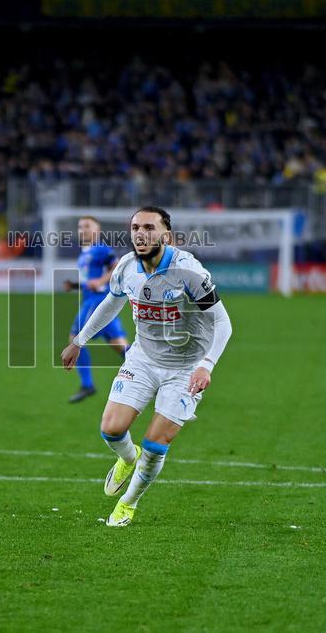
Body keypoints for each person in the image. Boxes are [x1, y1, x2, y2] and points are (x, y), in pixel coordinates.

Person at [61, 206, 233, 527]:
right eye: (136, 228)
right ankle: (129, 458)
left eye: (149, 228)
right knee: (111, 429)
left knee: (155, 444)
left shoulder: (188, 270)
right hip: (143, 358)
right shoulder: (127, 267)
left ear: (166, 233)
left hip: (185, 368)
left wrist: (206, 365)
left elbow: (222, 323)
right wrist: (79, 341)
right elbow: (110, 303)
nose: (141, 234)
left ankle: (128, 503)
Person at [64, 216, 129, 403]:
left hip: (96, 302)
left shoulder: (100, 249)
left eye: (87, 226)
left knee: (75, 340)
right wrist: (75, 286)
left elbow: (117, 267)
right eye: (80, 226)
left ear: (97, 230)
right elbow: (90, 281)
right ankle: (156, 377)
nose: (82, 229)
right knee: (121, 346)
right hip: (99, 301)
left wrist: (101, 281)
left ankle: (87, 385)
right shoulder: (84, 254)